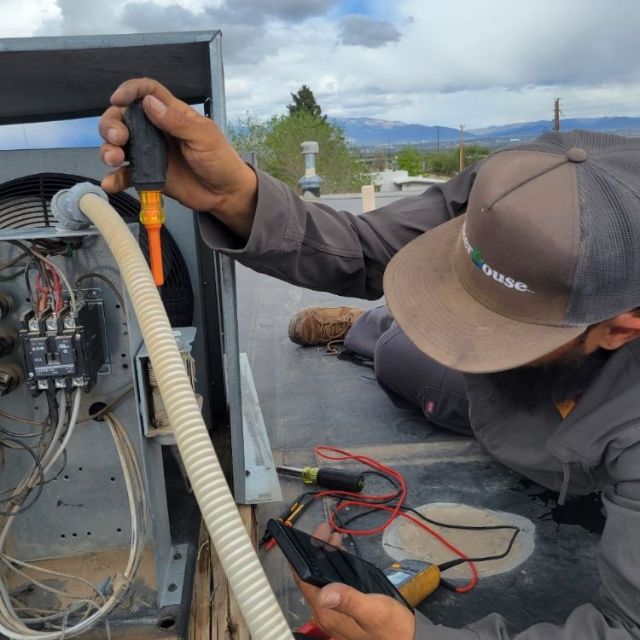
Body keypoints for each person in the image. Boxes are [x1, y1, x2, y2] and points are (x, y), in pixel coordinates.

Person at [99, 79, 640, 640]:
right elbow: (373, 245)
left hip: (602, 429)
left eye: (498, 329)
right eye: (459, 304)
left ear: (622, 327)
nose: (463, 342)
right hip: (536, 393)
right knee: (399, 357)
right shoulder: (527, 189)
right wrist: (234, 195)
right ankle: (377, 322)